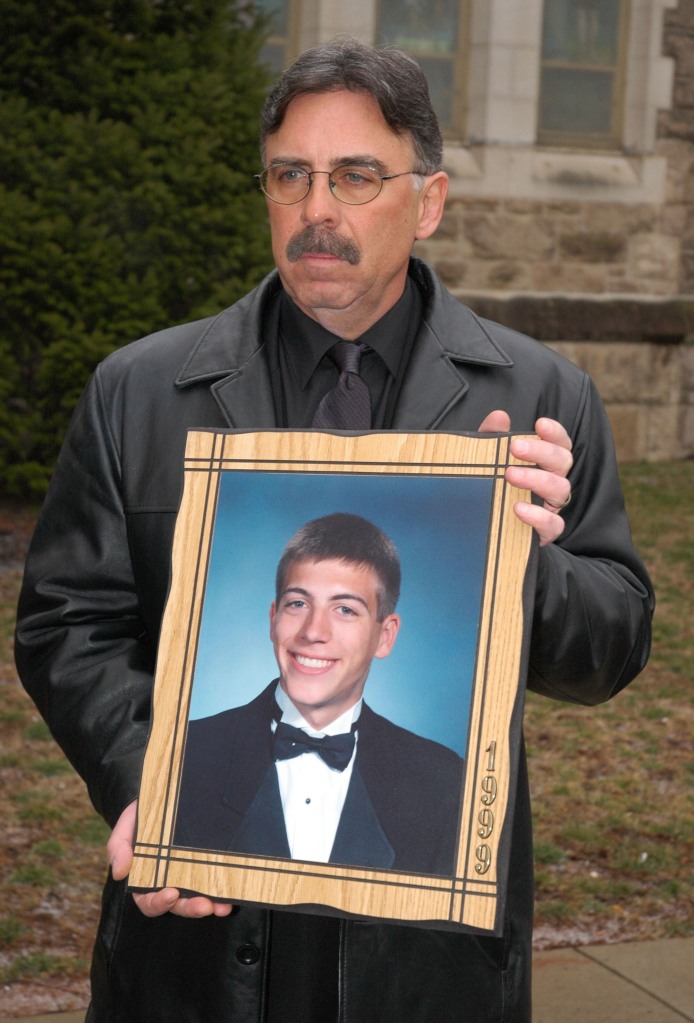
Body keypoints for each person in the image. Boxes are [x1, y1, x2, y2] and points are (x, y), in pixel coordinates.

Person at [14, 38, 654, 1023]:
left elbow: (609, 651)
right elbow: (66, 621)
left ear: (427, 201)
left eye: (356, 176)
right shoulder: (136, 392)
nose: (318, 208)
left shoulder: (540, 397)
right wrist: (159, 782)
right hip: (193, 944)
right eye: (290, 176)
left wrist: (519, 559)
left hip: (425, 963)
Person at [174, 512, 465, 876]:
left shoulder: (443, 780)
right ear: (273, 618)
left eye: (345, 609)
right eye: (298, 603)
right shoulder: (183, 753)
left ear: (385, 636)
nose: (314, 631)